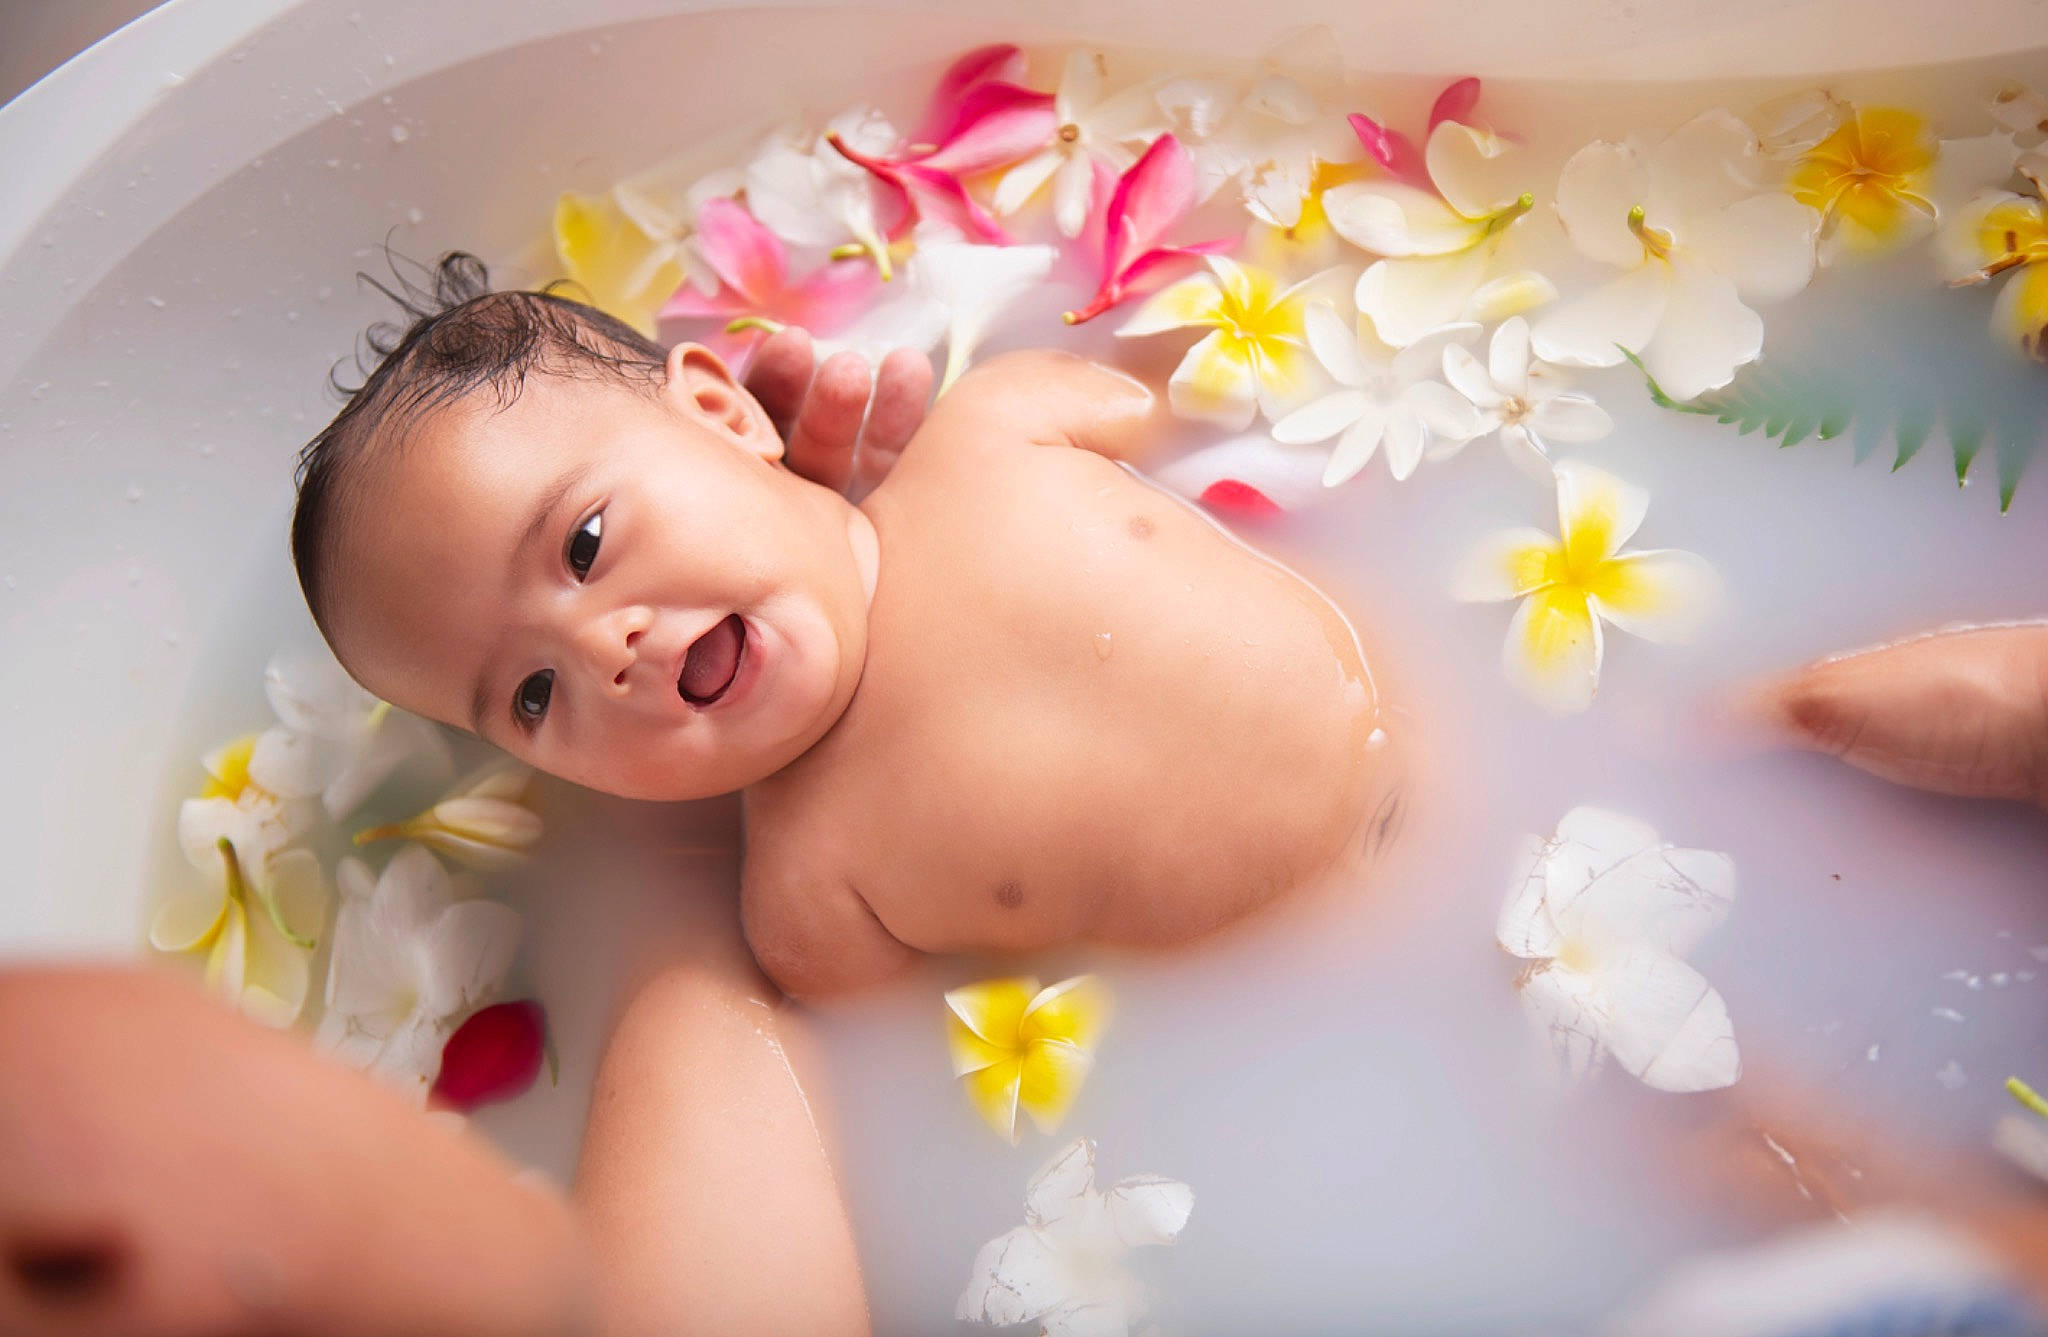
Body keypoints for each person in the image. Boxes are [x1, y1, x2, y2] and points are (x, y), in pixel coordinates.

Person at [287, 254, 1402, 999]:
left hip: (1487, 750)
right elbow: (920, 1074)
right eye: (530, 696)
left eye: (582, 545)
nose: (596, 650)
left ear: (724, 415)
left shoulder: (1002, 428)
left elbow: (1238, 393)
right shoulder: (807, 902)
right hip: (1343, 985)